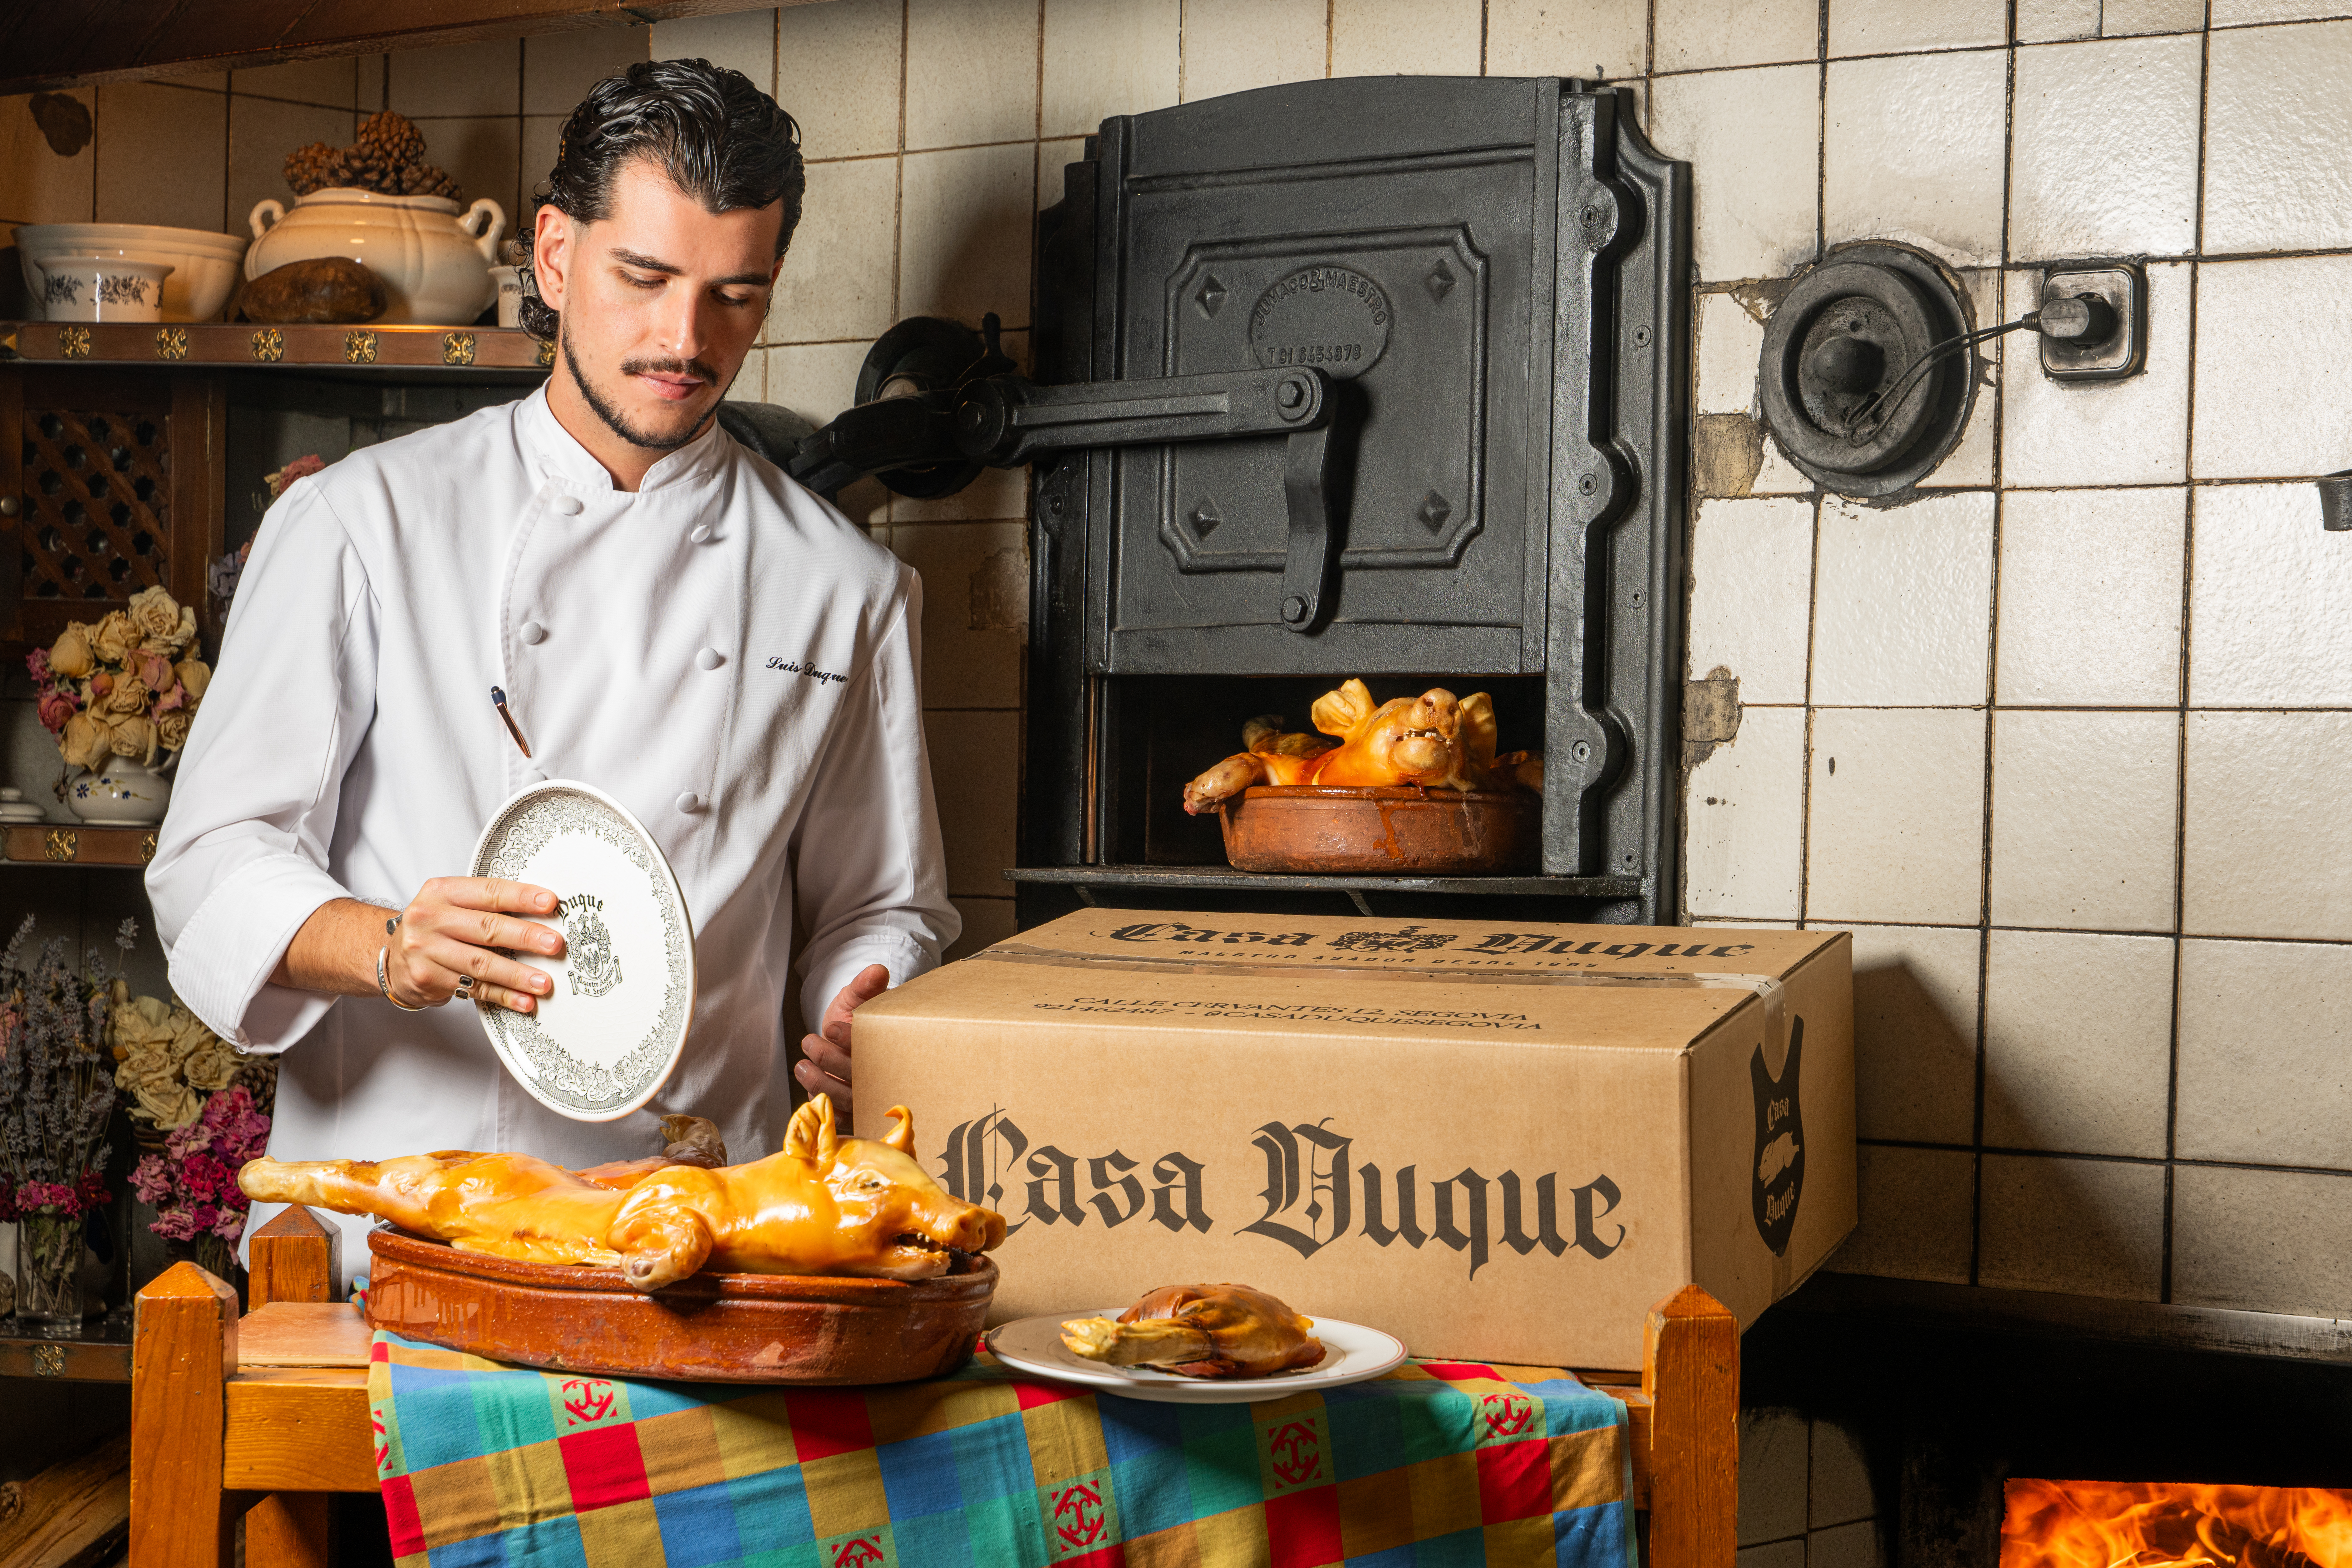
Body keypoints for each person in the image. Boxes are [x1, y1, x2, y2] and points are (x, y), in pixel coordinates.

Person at [147, 58, 953, 1268]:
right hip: (403, 1211)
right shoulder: (365, 524)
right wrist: (386, 944)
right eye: (645, 278)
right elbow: (210, 861)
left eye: (737, 294)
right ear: (558, 254)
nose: (686, 339)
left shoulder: (847, 585)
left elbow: (878, 899)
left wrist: (865, 997)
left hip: (699, 1225)